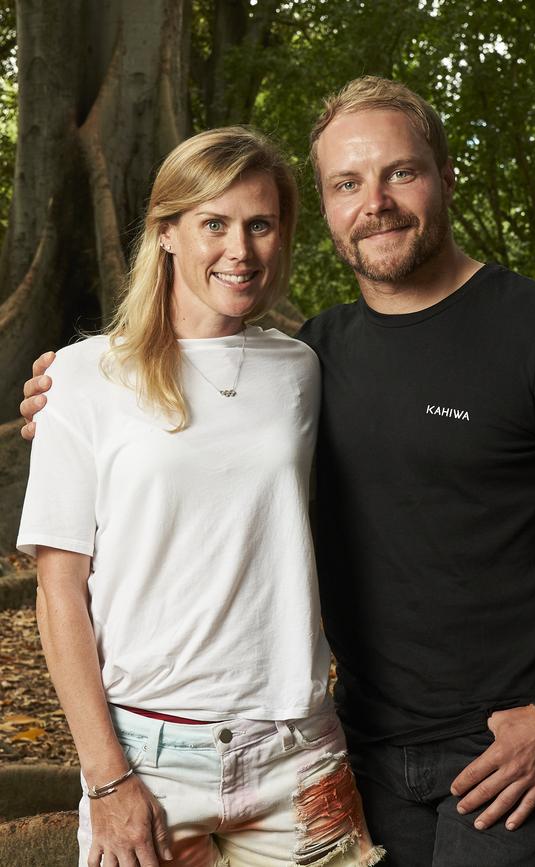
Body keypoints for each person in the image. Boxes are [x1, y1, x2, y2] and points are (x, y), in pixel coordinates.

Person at [20, 78, 535, 867]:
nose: (375, 202)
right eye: (347, 183)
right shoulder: (318, 352)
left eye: (401, 172)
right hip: (352, 743)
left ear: (446, 175)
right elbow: (77, 566)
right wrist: (70, 385)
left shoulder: (534, 333)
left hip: (485, 745)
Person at [16, 126, 384, 867]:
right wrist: (106, 775)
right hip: (146, 756)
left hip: (298, 751)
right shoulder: (82, 379)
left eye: (260, 224)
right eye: (213, 223)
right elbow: (60, 594)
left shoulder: (303, 370)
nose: (239, 250)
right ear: (167, 234)